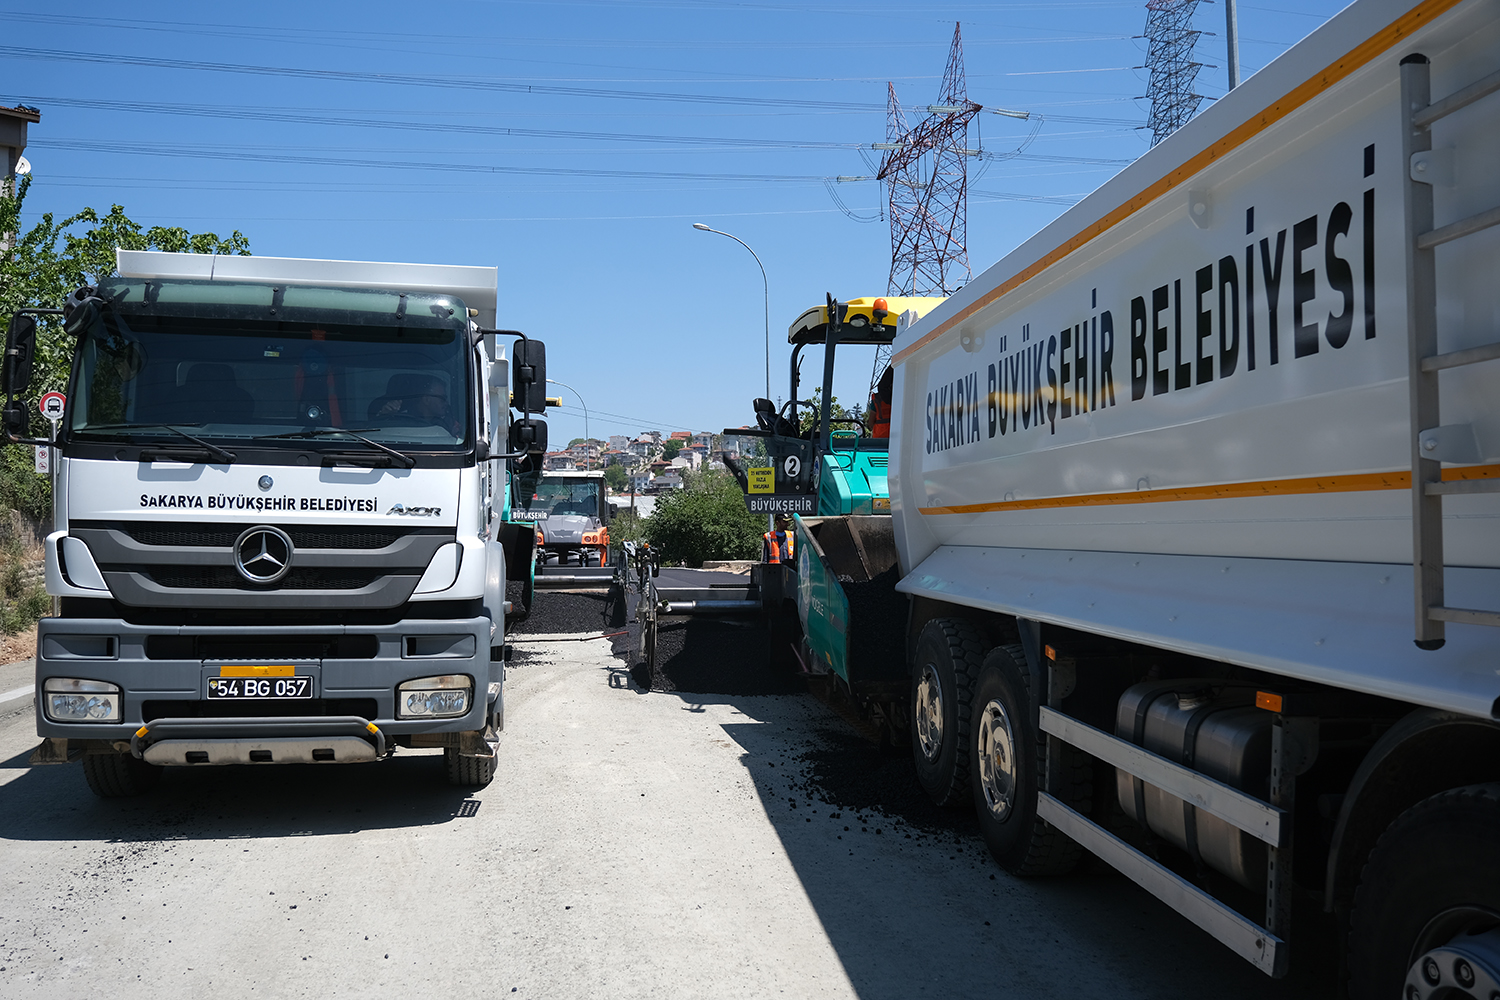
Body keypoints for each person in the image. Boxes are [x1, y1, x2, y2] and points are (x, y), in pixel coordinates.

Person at [869, 365, 893, 439]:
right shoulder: (903, 397)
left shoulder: (877, 399)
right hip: (898, 437)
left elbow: (870, 422)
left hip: (879, 439)